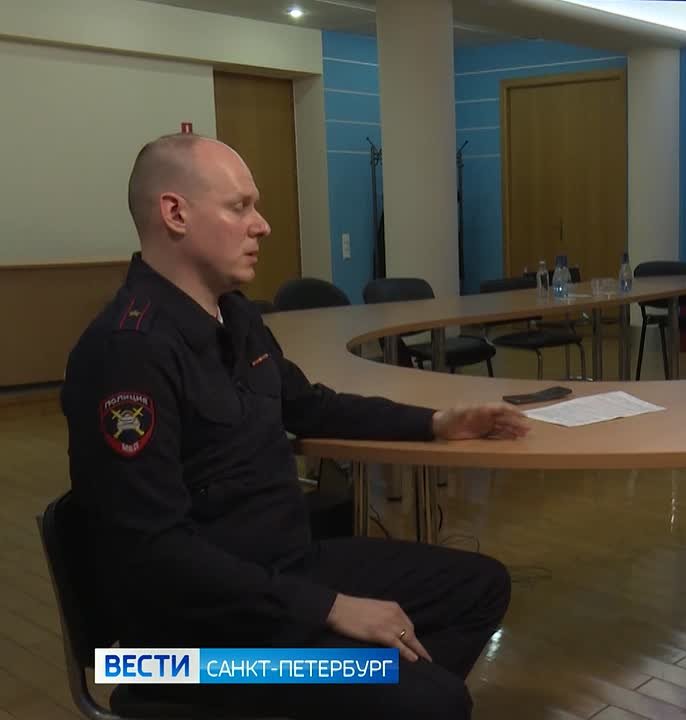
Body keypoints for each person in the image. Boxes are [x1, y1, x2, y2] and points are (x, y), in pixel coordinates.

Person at [61, 133, 531, 719]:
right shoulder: (127, 353)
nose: (262, 225)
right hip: (185, 646)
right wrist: (329, 608)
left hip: (280, 575)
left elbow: (311, 406)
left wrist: (436, 423)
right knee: (434, 701)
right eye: (240, 207)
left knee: (479, 587)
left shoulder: (234, 315)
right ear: (175, 213)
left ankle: (369, 695)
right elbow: (154, 554)